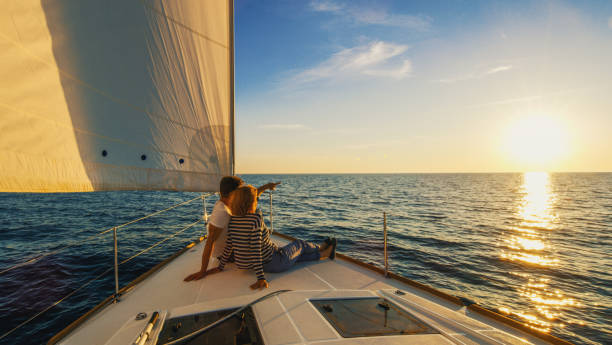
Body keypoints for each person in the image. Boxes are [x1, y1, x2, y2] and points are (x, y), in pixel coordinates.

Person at [209, 185, 336, 290]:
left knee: (296, 257)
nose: (257, 202)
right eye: (256, 200)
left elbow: (230, 245)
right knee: (300, 244)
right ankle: (319, 248)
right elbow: (255, 250)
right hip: (274, 262)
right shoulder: (255, 219)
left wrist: (221, 266)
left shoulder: (233, 221)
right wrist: (261, 278)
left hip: (260, 263)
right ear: (250, 203)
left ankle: (324, 253)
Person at [184, 177, 280, 281]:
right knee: (257, 213)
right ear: (233, 193)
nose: (242, 193)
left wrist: (267, 186)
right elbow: (210, 241)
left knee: (252, 209)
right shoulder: (221, 212)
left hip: (235, 247)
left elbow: (251, 195)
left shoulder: (232, 203)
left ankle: (271, 249)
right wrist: (203, 271)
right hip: (228, 255)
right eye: (240, 190)